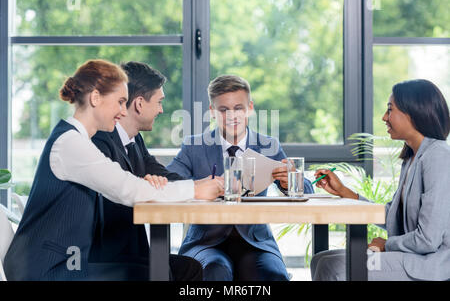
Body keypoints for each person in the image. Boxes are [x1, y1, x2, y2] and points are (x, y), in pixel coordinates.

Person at [3, 59, 223, 281]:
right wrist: (194, 189)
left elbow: (127, 184)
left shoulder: (78, 140)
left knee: (169, 270)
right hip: (49, 269)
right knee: (157, 273)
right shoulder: (70, 144)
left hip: (67, 261)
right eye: (119, 102)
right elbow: (128, 189)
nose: (122, 111)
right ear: (96, 98)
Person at [166, 74, 314, 281]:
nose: (232, 116)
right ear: (212, 112)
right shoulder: (194, 146)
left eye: (238, 108)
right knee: (215, 272)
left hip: (255, 241)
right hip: (205, 241)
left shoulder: (268, 146)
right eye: (223, 110)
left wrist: (290, 181)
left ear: (250, 108)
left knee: (273, 276)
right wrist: (201, 186)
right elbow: (169, 180)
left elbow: (307, 192)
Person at [311, 79, 450, 281]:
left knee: (334, 268)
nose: (384, 117)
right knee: (321, 259)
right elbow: (392, 216)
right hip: (410, 256)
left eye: (390, 110)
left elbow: (428, 240)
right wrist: (345, 192)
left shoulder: (438, 156)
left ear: (414, 113)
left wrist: (387, 245)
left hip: (428, 264)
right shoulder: (412, 158)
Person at [89, 61, 204, 280]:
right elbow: (118, 199)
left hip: (130, 250)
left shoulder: (133, 140)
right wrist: (149, 187)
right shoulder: (100, 142)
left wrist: (200, 186)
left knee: (190, 268)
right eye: (159, 102)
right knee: (165, 272)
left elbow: (162, 174)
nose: (161, 109)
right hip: (105, 258)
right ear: (139, 104)